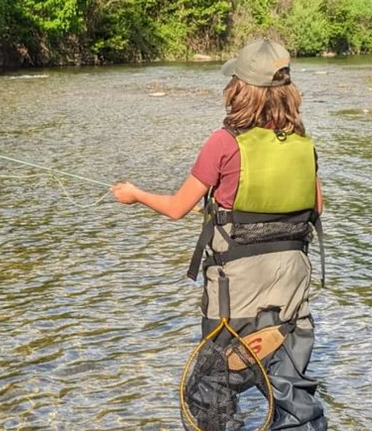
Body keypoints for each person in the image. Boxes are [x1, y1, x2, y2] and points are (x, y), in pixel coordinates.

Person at [111, 39, 328, 431]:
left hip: (235, 296)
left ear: (240, 88)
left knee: (211, 393)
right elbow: (313, 211)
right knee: (292, 394)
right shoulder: (304, 144)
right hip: (292, 293)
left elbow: (177, 207)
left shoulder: (223, 142)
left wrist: (135, 195)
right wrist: (223, 213)